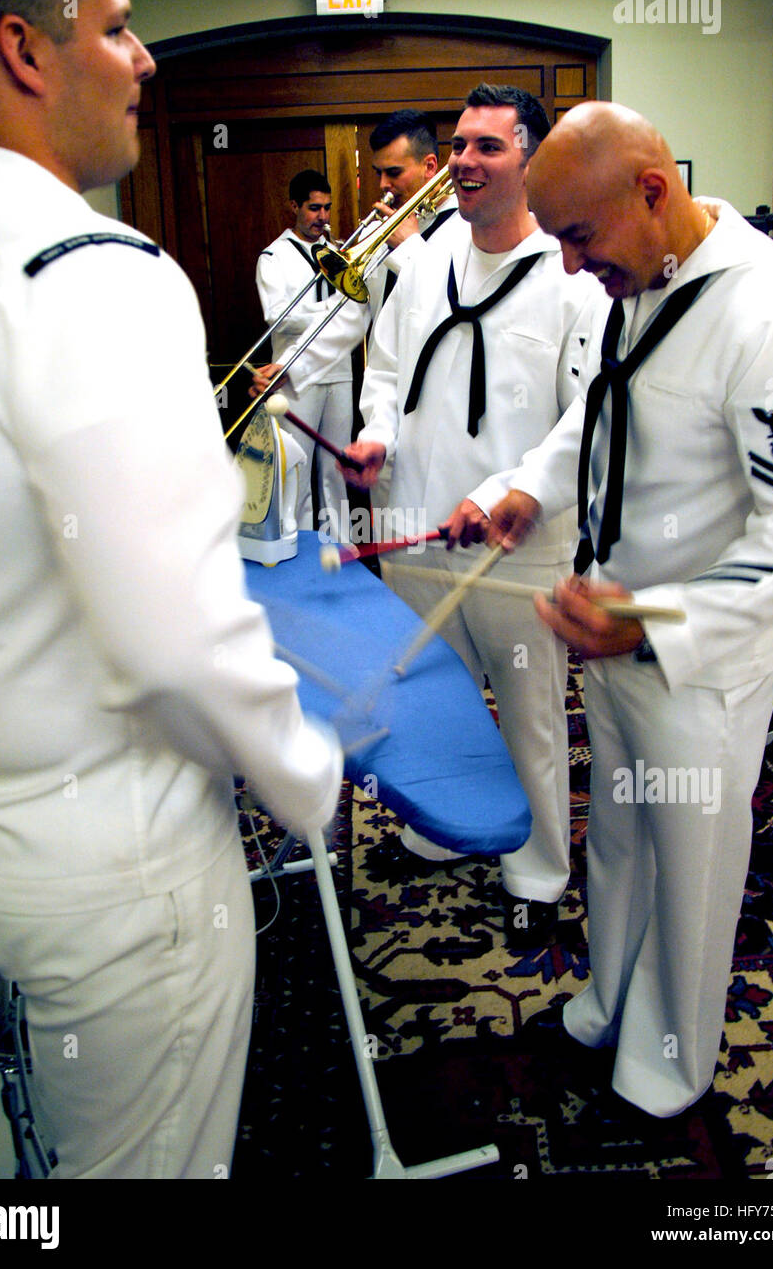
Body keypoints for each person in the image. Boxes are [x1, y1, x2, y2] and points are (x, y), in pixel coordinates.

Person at [0, 0, 343, 1177]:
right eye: (118, 26)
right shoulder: (87, 271)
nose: (145, 58)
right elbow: (175, 640)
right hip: (124, 860)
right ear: (23, 51)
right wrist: (305, 768)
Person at [463, 101, 773, 1116]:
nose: (573, 269)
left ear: (651, 190)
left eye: (579, 238)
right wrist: (525, 485)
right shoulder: (633, 278)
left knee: (692, 862)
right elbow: (598, 405)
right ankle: (610, 997)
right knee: (618, 836)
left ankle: (671, 1064)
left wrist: (658, 622)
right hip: (611, 628)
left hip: (699, 658)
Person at [343, 84, 607, 945]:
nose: (463, 161)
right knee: (437, 702)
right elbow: (385, 370)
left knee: (530, 713)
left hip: (517, 542)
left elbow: (588, 414)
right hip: (416, 522)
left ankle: (536, 870)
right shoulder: (422, 260)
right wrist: (376, 436)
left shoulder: (574, 277)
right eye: (458, 145)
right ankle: (444, 829)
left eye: (487, 147)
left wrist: (505, 493)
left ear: (529, 160)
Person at [250, 169, 369, 542]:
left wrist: (341, 309)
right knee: (296, 464)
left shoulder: (338, 254)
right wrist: (333, 311)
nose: (322, 217)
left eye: (327, 209)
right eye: (314, 208)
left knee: (336, 465)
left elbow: (358, 309)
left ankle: (341, 544)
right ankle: (296, 543)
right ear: (294, 207)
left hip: (339, 370)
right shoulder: (273, 256)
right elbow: (278, 316)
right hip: (294, 374)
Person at [365, 109, 458, 316]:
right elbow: (350, 318)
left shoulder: (464, 228)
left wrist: (408, 247)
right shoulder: (376, 230)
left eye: (394, 172)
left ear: (430, 166)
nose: (383, 184)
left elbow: (452, 305)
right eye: (379, 173)